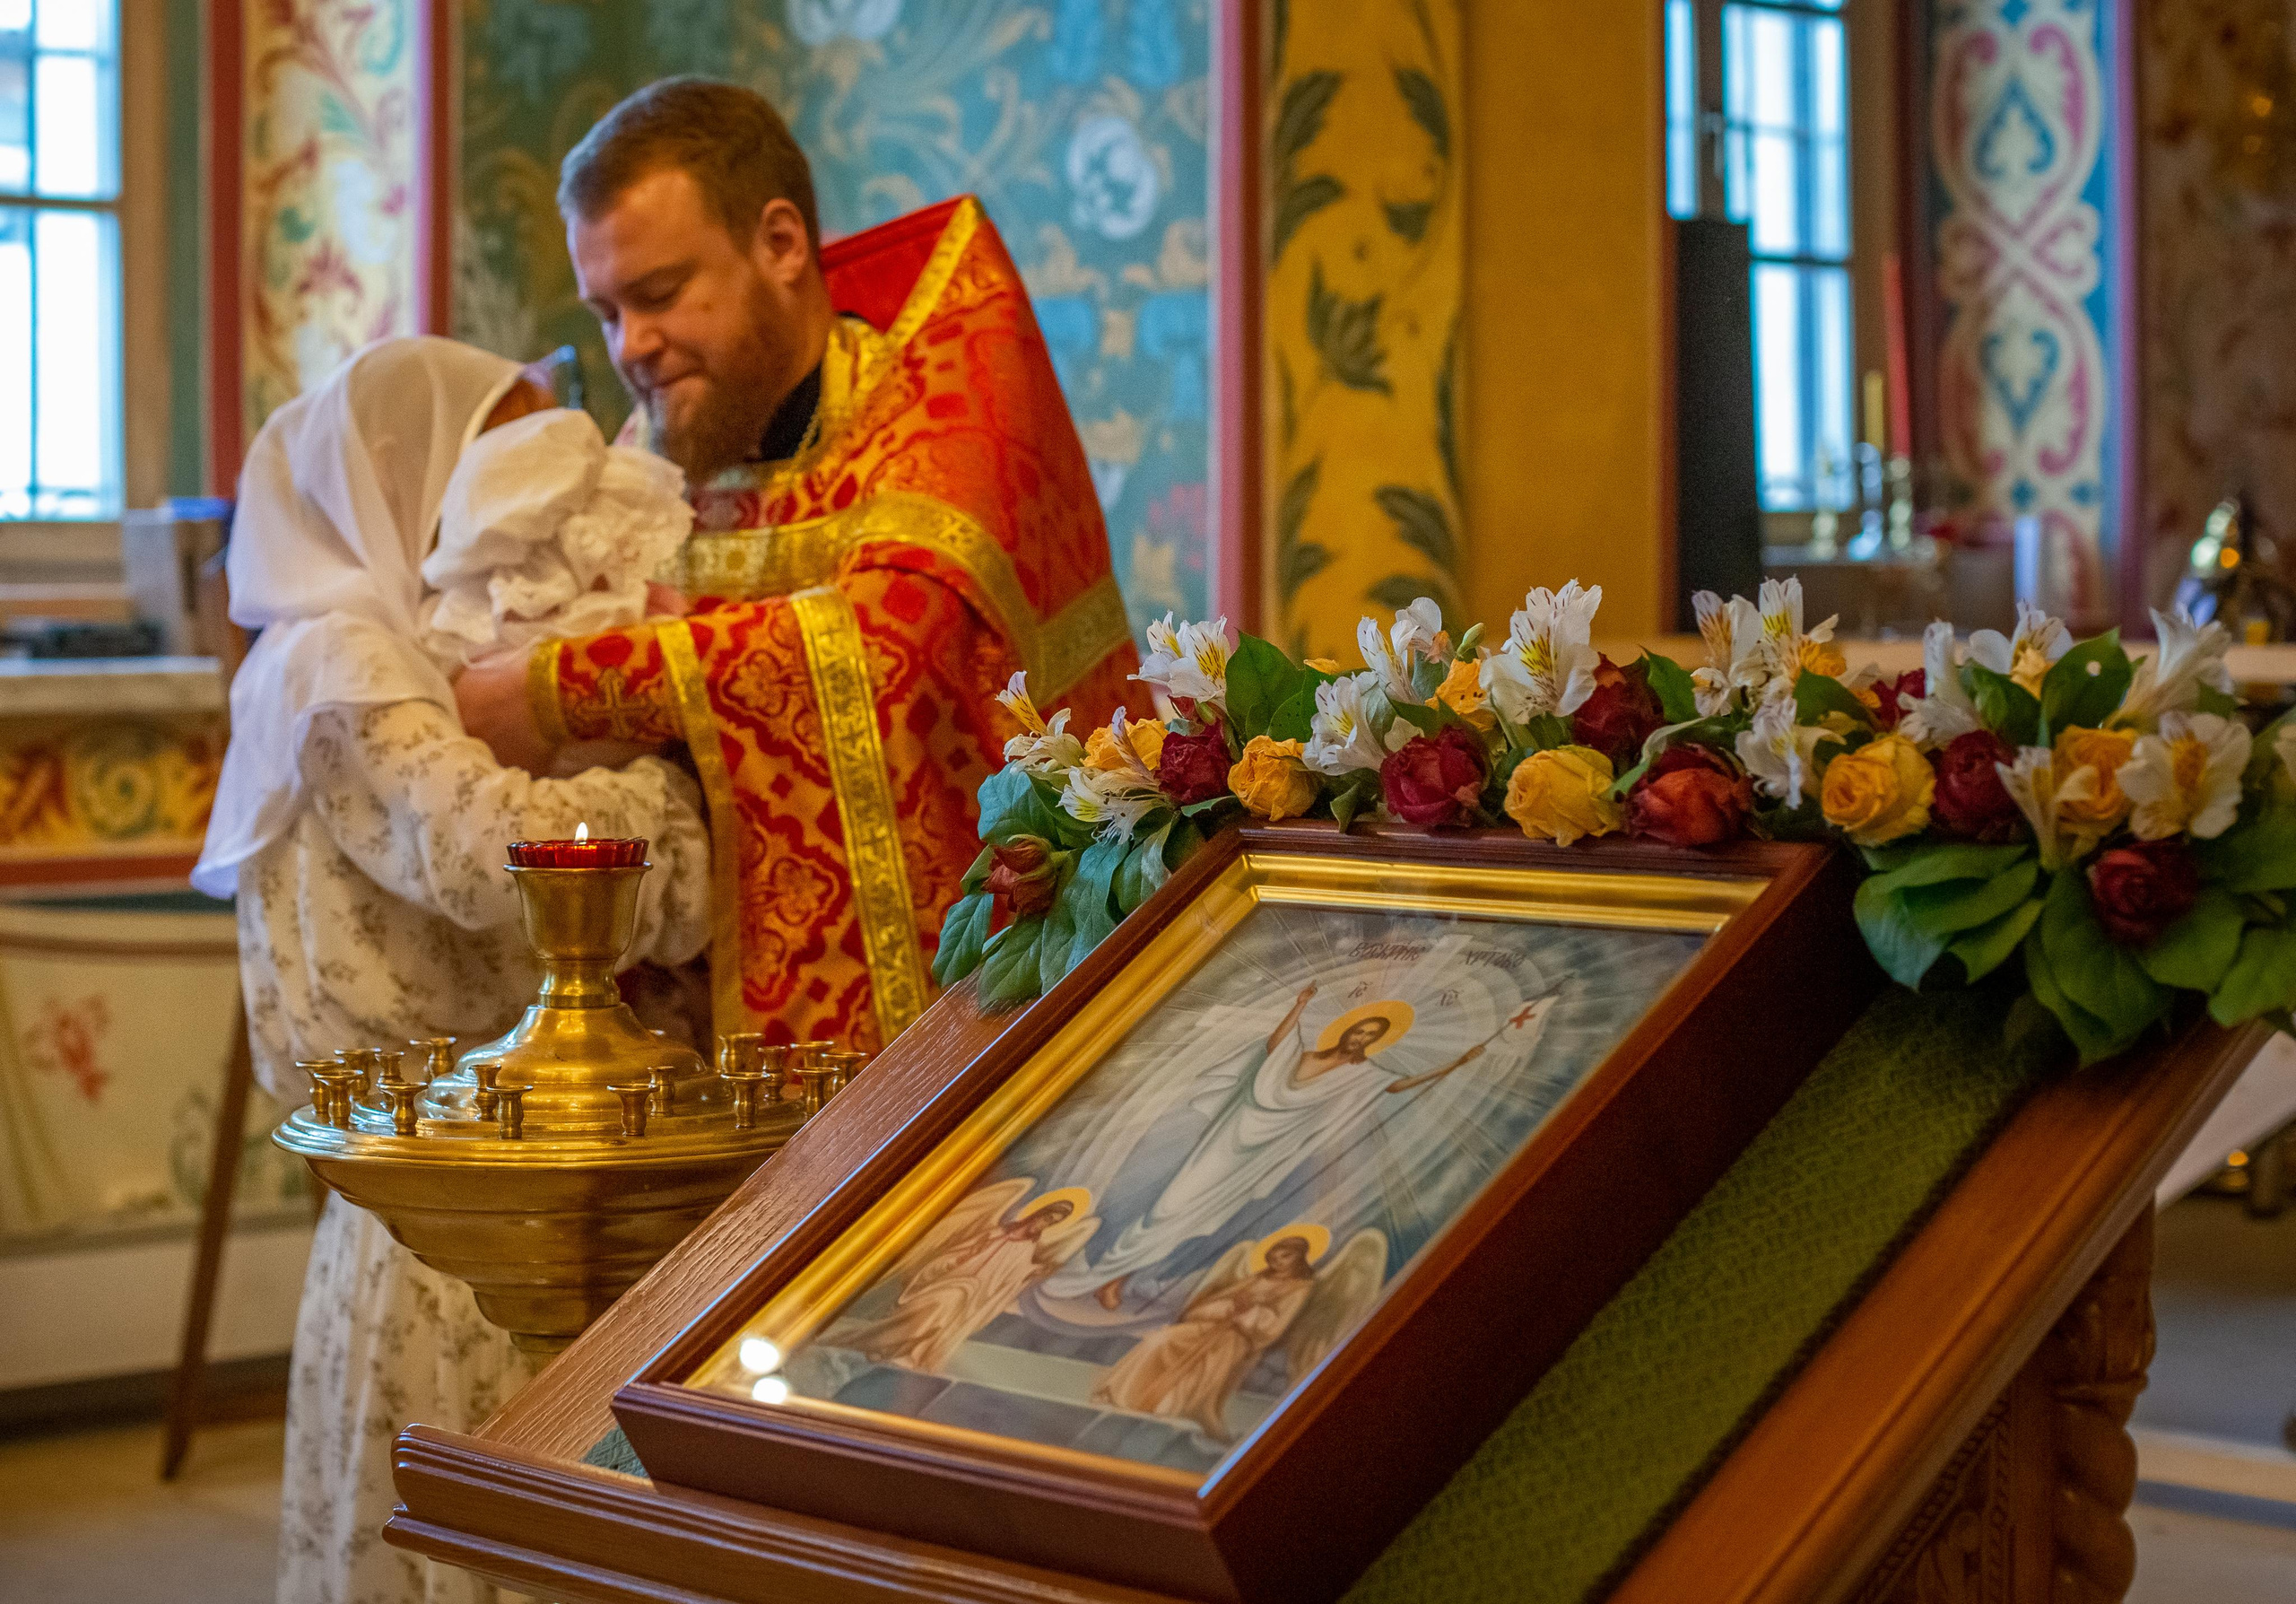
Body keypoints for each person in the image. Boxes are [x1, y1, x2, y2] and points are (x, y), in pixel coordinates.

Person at [453, 77, 1145, 1057]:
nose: (631, 348)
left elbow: (885, 647)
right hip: (706, 1049)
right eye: (607, 312)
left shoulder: (944, 398)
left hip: (989, 1023)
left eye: (657, 296)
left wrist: (550, 692)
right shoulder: (663, 444)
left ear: (779, 245)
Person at [191, 336, 714, 1604]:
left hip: (472, 1199)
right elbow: (504, 862)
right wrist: (682, 794)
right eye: (502, 464)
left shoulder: (364, 655)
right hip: (468, 1226)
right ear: (408, 484)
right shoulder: (344, 667)